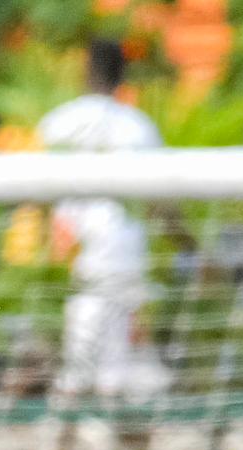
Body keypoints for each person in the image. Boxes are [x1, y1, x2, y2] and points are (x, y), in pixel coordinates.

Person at [37, 40, 166, 403]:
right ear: (124, 75)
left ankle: (73, 439)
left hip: (75, 251)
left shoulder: (59, 122)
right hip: (123, 252)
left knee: (85, 346)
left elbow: (36, 194)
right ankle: (86, 434)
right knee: (108, 352)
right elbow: (161, 199)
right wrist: (186, 244)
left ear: (85, 71)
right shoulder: (138, 127)